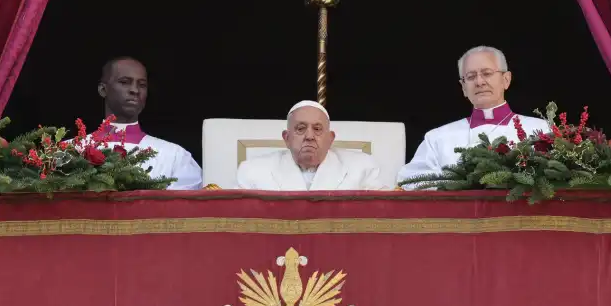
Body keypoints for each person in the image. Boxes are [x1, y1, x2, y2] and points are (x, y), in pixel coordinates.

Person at [397, 46, 550, 187]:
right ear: (463, 87)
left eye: (487, 73)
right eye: (470, 77)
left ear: (506, 79)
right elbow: (409, 180)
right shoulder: (438, 137)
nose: (479, 82)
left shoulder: (540, 129)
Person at [93, 56, 202, 190]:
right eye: (124, 82)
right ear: (103, 90)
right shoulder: (71, 152)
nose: (135, 90)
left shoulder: (174, 157)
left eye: (142, 85)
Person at [236, 100, 390, 191]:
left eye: (317, 129)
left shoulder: (362, 168)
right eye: (300, 129)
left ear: (330, 139)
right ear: (286, 138)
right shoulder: (253, 171)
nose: (309, 136)